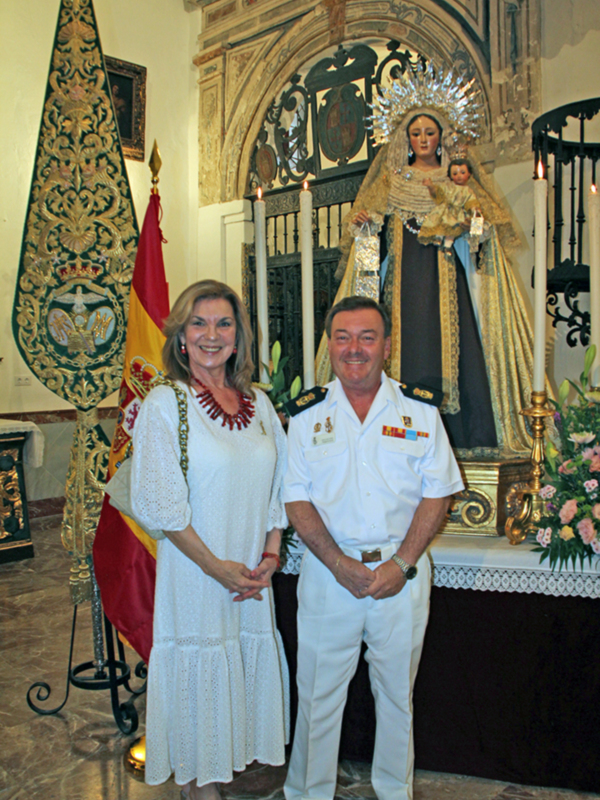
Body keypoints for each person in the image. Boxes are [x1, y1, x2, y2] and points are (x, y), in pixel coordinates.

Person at [283, 296, 464, 800]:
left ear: (387, 345)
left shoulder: (420, 411)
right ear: (330, 345)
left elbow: (439, 492)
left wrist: (402, 564)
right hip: (328, 574)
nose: (354, 348)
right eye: (342, 337)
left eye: (366, 337)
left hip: (399, 575)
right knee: (317, 696)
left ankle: (393, 791)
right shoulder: (304, 416)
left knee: (396, 698)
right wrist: (338, 564)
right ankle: (308, 794)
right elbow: (295, 498)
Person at [315, 65, 540, 458]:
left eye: (429, 133)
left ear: (442, 137)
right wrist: (367, 229)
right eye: (415, 133)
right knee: (402, 350)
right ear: (405, 138)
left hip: (448, 282)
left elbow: (482, 232)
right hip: (402, 287)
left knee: (461, 353)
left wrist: (471, 226)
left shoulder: (457, 180)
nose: (422, 139)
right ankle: (398, 438)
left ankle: (466, 438)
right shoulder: (390, 180)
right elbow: (372, 248)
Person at [129, 280, 289, 800]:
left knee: (235, 678)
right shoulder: (165, 403)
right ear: (180, 336)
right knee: (202, 679)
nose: (211, 335)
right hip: (198, 576)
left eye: (223, 324)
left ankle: (214, 782)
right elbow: (161, 507)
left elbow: (281, 488)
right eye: (198, 323)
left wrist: (270, 554)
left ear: (239, 338)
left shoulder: (259, 404)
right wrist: (215, 567)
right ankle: (199, 790)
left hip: (249, 577)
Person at [419, 158, 482, 252]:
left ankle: (447, 246)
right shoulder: (448, 186)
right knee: (440, 223)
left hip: (457, 213)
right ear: (450, 176)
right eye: (455, 173)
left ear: (469, 174)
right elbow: (439, 193)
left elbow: (471, 201)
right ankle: (438, 238)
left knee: (452, 230)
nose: (459, 176)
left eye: (463, 172)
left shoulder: (468, 191)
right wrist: (430, 186)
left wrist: (474, 209)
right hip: (446, 210)